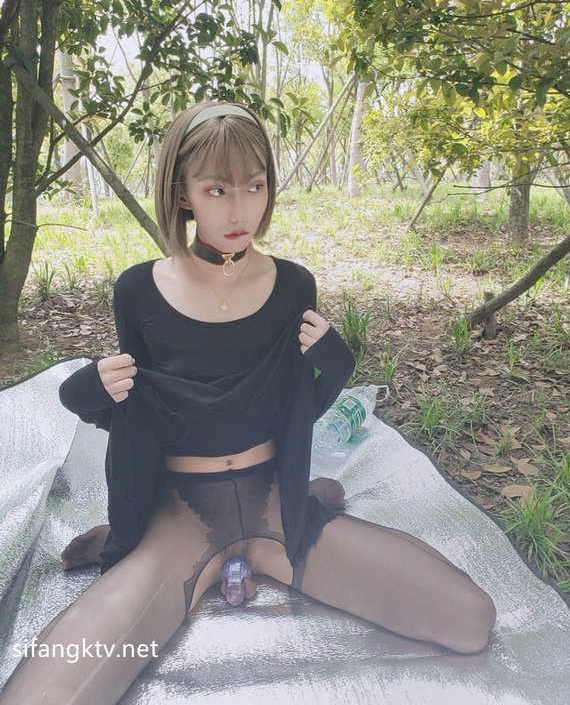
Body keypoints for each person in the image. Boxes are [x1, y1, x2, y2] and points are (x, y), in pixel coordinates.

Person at [1, 102, 496, 705]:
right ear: (183, 194)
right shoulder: (138, 289)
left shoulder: (293, 285)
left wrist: (336, 364)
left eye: (254, 187)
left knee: (469, 622)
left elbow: (293, 405)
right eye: (217, 190)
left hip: (276, 508)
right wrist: (86, 391)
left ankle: (300, 507)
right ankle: (138, 541)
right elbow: (137, 413)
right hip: (180, 517)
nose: (240, 211)